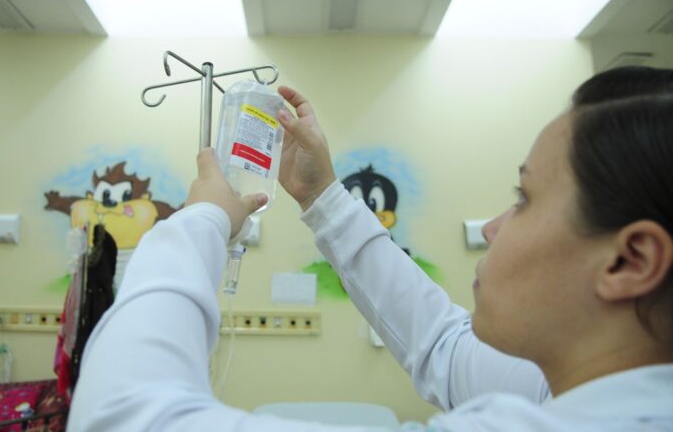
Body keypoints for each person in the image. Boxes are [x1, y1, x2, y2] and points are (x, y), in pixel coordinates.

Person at [67, 66, 673, 431]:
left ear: (631, 260)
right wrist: (320, 195)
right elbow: (440, 344)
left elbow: (123, 414)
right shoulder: (565, 391)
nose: (491, 228)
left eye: (525, 197)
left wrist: (199, 221)